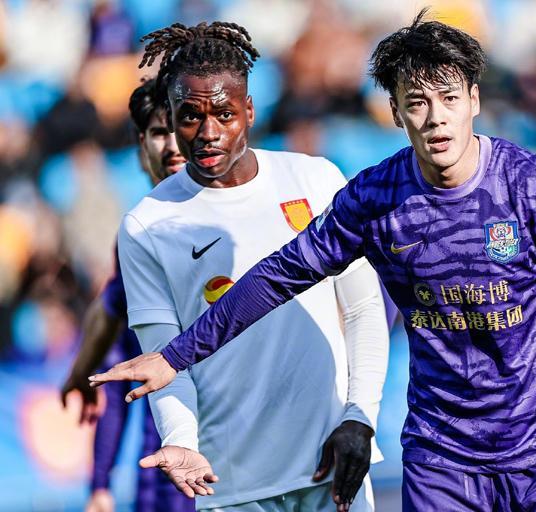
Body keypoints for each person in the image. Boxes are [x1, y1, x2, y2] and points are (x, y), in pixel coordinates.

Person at [92, 12, 536, 511]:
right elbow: (277, 276)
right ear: (395, 112)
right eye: (417, 102)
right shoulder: (374, 200)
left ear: (473, 100)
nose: (435, 118)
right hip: (442, 461)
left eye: (449, 98)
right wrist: (175, 356)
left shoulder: (533, 184)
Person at [94, 21, 389, 512]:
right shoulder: (147, 226)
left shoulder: (314, 179)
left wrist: (360, 415)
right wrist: (181, 439)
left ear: (249, 110)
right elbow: (164, 359)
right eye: (190, 117)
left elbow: (362, 309)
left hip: (333, 466)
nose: (208, 133)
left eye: (225, 114)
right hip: (231, 483)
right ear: (172, 115)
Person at [61, 79, 192, 512]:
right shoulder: (136, 236)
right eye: (158, 132)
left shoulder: (239, 226)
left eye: (180, 128)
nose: (171, 145)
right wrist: (100, 484)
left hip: (235, 467)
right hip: (160, 478)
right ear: (141, 145)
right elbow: (120, 352)